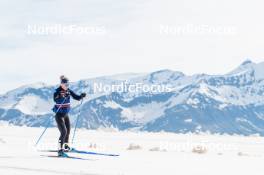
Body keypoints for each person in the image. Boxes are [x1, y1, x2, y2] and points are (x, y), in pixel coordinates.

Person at [53, 75, 86, 156]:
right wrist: (63, 97)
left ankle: (66, 147)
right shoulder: (57, 91)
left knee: (68, 132)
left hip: (65, 115)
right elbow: (56, 100)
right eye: (66, 85)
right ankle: (60, 151)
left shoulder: (68, 91)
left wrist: (81, 96)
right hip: (59, 115)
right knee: (63, 132)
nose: (67, 86)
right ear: (61, 84)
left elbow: (76, 97)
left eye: (68, 85)